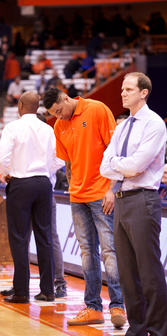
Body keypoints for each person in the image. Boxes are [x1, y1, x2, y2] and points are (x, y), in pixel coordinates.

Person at [43, 87, 126, 327]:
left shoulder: (97, 109)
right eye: (54, 114)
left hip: (102, 193)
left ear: (66, 98)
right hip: (77, 196)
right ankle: (93, 308)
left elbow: (115, 152)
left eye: (59, 110)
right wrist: (73, 189)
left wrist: (112, 188)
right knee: (87, 252)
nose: (59, 116)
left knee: (109, 250)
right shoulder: (59, 126)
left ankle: (118, 305)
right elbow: (68, 162)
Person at [100, 72, 167, 335]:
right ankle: (137, 328)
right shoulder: (123, 126)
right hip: (121, 200)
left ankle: (159, 329)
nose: (123, 93)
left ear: (144, 92)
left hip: (143, 201)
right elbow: (105, 166)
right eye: (122, 89)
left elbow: (138, 166)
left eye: (128, 89)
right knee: (127, 272)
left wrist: (121, 166)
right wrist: (123, 167)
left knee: (149, 272)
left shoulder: (154, 124)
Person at [0, 91, 63, 304]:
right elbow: (58, 159)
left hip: (20, 182)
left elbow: (2, 157)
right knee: (44, 237)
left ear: (20, 105)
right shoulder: (48, 128)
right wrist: (45, 171)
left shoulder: (12, 127)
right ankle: (47, 291)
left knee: (19, 237)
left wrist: (5, 173)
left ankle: (21, 292)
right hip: (43, 184)